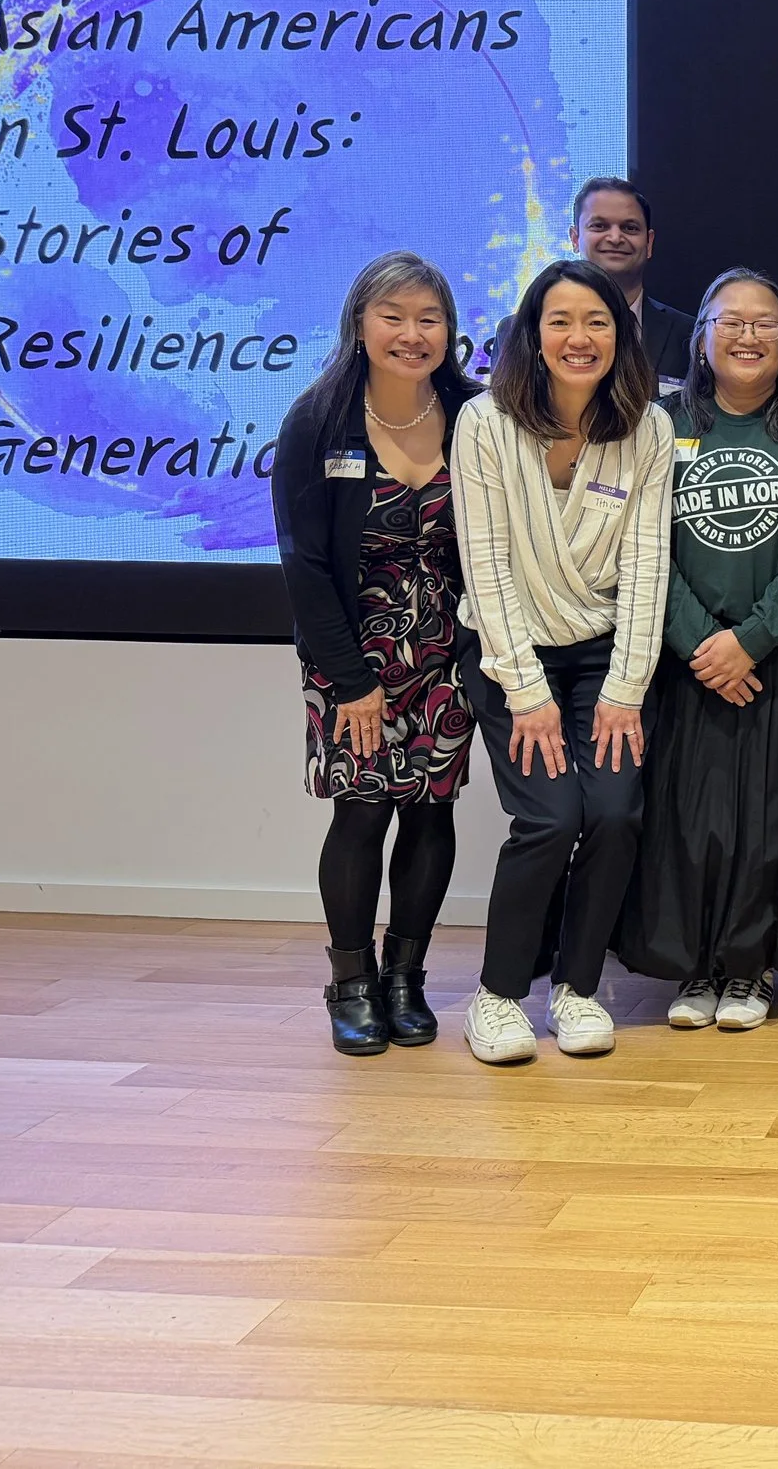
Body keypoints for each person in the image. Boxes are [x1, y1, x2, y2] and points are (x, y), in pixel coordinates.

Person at [621, 270, 778, 1032]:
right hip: (690, 662)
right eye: (731, 321)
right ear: (701, 335)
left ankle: (753, 966)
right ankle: (696, 964)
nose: (748, 335)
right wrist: (705, 644)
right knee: (692, 822)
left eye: (766, 322)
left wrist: (751, 639)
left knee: (773, 821)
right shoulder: (657, 425)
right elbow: (642, 548)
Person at [453, 258, 675, 1065]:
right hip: (513, 657)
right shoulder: (484, 422)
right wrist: (525, 690)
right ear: (532, 332)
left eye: (598, 322)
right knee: (549, 818)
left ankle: (578, 989)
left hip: (605, 659)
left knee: (615, 812)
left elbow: (651, 563)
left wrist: (625, 688)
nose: (579, 338)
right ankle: (499, 995)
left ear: (621, 334)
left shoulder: (646, 426)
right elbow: (486, 562)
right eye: (561, 321)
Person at [272, 252, 482, 1055]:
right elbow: (304, 563)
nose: (412, 333)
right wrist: (350, 681)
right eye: (393, 315)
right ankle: (351, 983)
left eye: (429, 318)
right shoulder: (318, 420)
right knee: (361, 812)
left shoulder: (474, 414)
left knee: (432, 811)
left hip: (446, 656)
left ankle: (407, 978)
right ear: (360, 322)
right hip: (349, 659)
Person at [572, 175, 692, 388]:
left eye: (630, 228)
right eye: (599, 226)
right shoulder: (522, 330)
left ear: (649, 242)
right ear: (575, 238)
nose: (616, 238)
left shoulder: (690, 335)